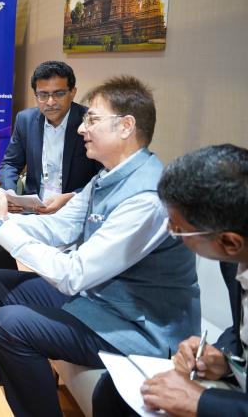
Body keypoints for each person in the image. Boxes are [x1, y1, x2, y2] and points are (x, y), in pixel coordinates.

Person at [0, 75, 200, 417]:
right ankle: (10, 395)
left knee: (11, 322)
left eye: (92, 119)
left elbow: (74, 275)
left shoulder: (146, 198)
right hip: (100, 302)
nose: (81, 128)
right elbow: (58, 227)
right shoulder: (107, 176)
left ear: (126, 126)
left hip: (138, 329)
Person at [92, 144, 248, 417]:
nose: (170, 231)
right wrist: (224, 359)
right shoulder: (233, 258)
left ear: (229, 242)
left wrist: (200, 402)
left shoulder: (231, 250)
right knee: (113, 390)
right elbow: (241, 330)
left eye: (179, 229)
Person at [0, 61, 101, 276]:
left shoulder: (89, 122)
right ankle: (9, 281)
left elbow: (104, 176)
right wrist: (10, 193)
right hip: (34, 208)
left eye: (59, 94)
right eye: (43, 95)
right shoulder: (26, 120)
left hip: (73, 211)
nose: (50, 102)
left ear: (73, 92)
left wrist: (71, 197)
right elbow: (11, 163)